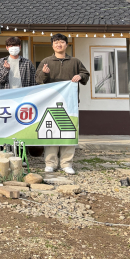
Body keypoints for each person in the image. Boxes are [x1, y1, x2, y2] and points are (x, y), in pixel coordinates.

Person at [35, 33, 90, 175]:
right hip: (51, 103)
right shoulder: (46, 61)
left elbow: (86, 75)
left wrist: (80, 76)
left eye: (61, 42)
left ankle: (67, 163)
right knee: (51, 133)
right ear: (52, 45)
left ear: (66, 44)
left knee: (69, 132)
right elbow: (38, 80)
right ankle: (50, 163)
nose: (59, 44)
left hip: (70, 103)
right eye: (56, 42)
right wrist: (44, 73)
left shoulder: (75, 61)